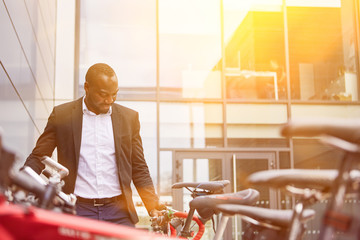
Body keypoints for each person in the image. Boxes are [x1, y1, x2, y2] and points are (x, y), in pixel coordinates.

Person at [24, 63, 165, 226]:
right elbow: (39, 156)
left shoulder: (129, 119)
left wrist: (153, 206)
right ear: (87, 87)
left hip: (119, 212)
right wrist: (20, 184)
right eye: (104, 94)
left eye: (114, 94)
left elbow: (138, 166)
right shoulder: (62, 115)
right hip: (77, 210)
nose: (110, 100)